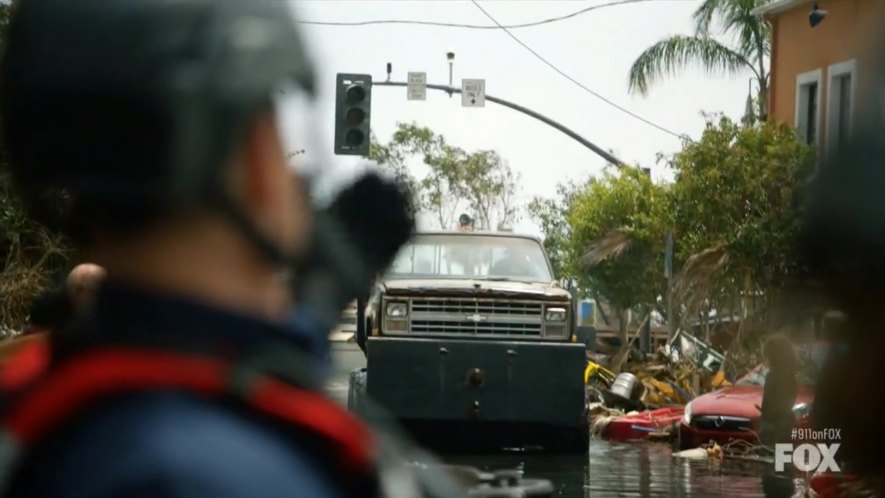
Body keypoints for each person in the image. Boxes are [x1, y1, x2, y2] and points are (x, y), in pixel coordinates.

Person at [0, 2, 460, 497]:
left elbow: (192, 353)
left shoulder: (46, 400)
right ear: (259, 159)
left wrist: (307, 316)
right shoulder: (237, 475)